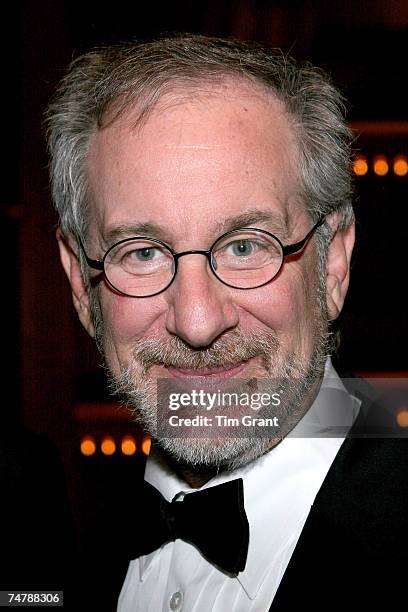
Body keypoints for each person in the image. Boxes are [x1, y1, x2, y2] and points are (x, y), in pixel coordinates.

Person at [46, 35, 407, 611]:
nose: (197, 320)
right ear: (78, 282)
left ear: (333, 262)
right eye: (143, 252)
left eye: (245, 245)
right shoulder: (55, 560)